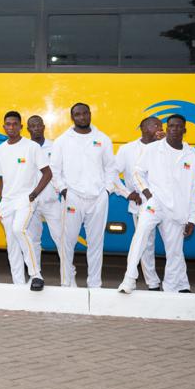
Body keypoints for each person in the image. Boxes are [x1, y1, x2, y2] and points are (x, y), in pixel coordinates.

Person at [118, 115, 195, 294]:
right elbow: (137, 173)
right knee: (140, 236)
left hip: (177, 209)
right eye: (171, 126)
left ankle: (171, 289)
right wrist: (148, 194)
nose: (174, 129)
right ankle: (129, 280)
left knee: (175, 251)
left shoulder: (192, 155)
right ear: (166, 128)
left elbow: (194, 189)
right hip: (154, 204)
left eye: (178, 126)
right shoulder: (153, 149)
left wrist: (192, 218)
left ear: (184, 130)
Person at [50, 103, 119, 288]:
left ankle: (94, 284)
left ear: (90, 114)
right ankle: (67, 282)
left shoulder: (102, 139)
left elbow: (111, 168)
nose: (82, 117)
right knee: (67, 242)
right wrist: (63, 190)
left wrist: (106, 191)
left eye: (85, 113)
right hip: (72, 197)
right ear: (72, 117)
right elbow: (54, 170)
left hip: (98, 198)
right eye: (77, 114)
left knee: (96, 244)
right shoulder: (62, 140)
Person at [0, 111, 51, 291]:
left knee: (19, 229)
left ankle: (36, 274)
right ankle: (18, 283)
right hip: (7, 202)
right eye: (8, 124)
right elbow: (1, 178)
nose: (11, 127)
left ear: (20, 127)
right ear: (4, 127)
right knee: (11, 243)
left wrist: (34, 194)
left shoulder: (32, 147)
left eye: (15, 124)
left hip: (25, 199)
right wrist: (1, 201)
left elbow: (47, 173)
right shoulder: (0, 149)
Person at [113, 117, 164, 291]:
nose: (160, 128)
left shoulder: (165, 147)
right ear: (144, 128)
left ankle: (176, 283)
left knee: (173, 245)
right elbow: (112, 174)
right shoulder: (127, 149)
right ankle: (152, 282)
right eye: (156, 125)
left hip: (167, 204)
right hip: (142, 203)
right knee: (145, 243)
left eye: (161, 125)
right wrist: (127, 193)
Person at [26, 115, 65, 285]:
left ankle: (68, 278)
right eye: (32, 126)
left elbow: (60, 171)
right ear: (28, 129)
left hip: (51, 201)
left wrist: (61, 190)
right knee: (33, 241)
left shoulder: (54, 146)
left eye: (38, 125)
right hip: (31, 203)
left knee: (61, 239)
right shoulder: (25, 147)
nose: (36, 128)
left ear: (43, 127)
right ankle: (35, 276)